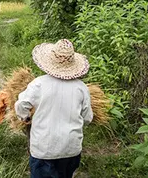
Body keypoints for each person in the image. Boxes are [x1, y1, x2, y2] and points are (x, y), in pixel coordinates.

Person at [15, 39, 93, 178]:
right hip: (71, 149)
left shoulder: (38, 84)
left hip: (44, 150)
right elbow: (87, 118)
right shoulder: (81, 88)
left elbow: (21, 105)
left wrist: (25, 117)